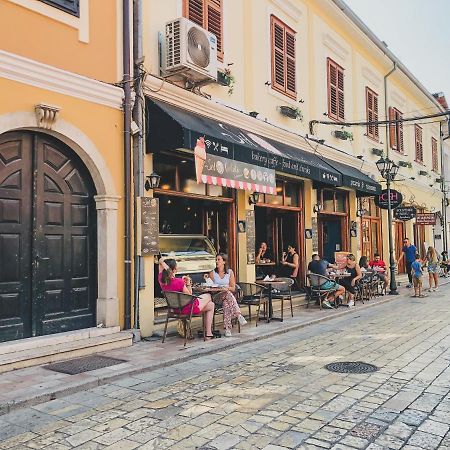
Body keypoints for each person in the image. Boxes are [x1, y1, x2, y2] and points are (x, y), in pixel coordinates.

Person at [158, 258, 215, 339]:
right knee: (208, 296)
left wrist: (163, 264)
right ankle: (208, 333)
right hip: (188, 309)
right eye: (176, 267)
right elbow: (190, 295)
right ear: (174, 269)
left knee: (211, 305)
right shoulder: (179, 282)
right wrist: (188, 283)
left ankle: (209, 333)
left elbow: (160, 263)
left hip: (174, 309)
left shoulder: (161, 280)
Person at [206, 253, 247, 337]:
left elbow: (233, 288)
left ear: (224, 262)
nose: (216, 261)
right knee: (227, 293)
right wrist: (208, 280)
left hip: (226, 297)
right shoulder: (212, 273)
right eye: (216, 260)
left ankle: (227, 329)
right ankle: (238, 314)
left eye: (219, 259)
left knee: (226, 304)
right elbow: (210, 288)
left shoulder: (230, 272)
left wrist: (226, 288)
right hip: (216, 297)